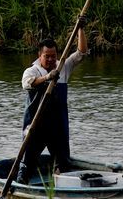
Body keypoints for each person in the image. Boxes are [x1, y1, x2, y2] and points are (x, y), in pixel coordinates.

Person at [16, 28, 88, 183]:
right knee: (27, 161)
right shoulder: (32, 71)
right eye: (46, 56)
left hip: (58, 126)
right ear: (39, 55)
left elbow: (81, 53)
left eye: (53, 56)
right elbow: (28, 83)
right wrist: (48, 77)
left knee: (63, 163)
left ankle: (62, 187)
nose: (50, 60)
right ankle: (19, 186)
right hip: (36, 125)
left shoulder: (63, 67)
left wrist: (80, 29)